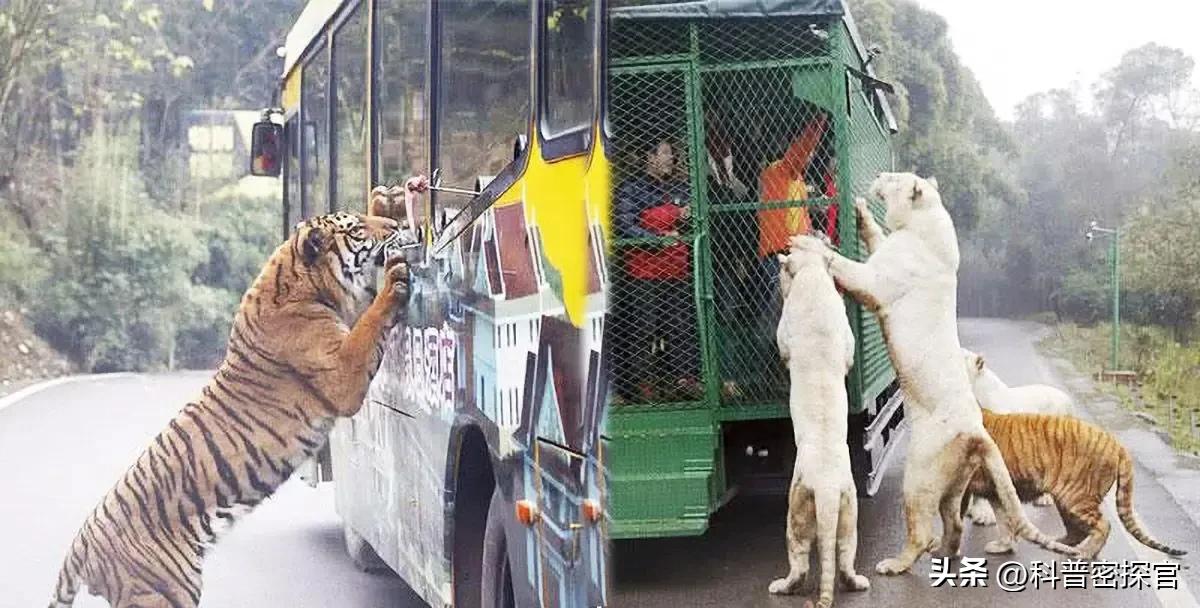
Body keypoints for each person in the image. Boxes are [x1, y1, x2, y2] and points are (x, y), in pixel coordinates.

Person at [613, 139, 699, 402]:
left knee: (681, 326)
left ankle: (684, 380)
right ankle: (641, 384)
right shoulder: (632, 189)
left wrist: (684, 216)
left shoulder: (680, 187)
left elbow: (692, 217)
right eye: (664, 153)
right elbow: (625, 225)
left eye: (672, 153)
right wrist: (659, 236)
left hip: (676, 269)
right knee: (644, 328)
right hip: (645, 273)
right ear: (649, 157)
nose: (670, 158)